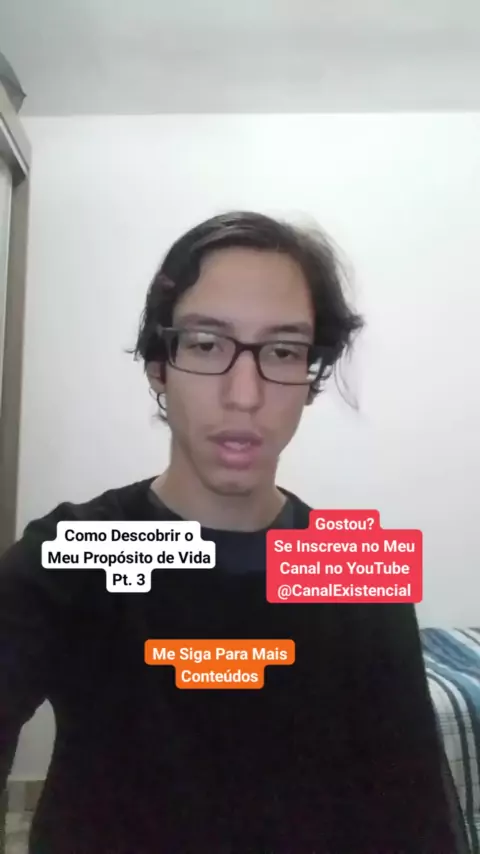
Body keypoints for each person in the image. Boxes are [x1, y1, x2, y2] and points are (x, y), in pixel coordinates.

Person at [0, 211, 467, 853]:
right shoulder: (75, 554)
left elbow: (412, 819)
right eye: (206, 344)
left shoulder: (352, 568)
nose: (244, 395)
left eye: (283, 351)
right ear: (158, 364)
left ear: (311, 377)